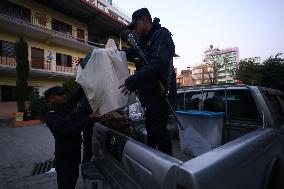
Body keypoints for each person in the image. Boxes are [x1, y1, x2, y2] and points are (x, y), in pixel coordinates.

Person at [119, 8, 177, 155]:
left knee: (159, 132)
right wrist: (116, 53)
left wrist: (132, 81)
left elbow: (157, 65)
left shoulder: (161, 36)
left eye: (134, 25)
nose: (133, 30)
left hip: (161, 95)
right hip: (149, 97)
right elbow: (133, 53)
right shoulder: (144, 42)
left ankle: (170, 168)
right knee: (151, 131)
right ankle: (153, 164)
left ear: (145, 20)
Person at [44, 86, 101, 189]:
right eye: (61, 95)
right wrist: (90, 118)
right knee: (66, 184)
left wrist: (85, 79)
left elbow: (78, 94)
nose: (65, 96)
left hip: (74, 154)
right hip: (65, 158)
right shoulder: (52, 117)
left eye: (64, 94)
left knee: (73, 178)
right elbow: (71, 129)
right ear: (51, 99)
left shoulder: (65, 106)